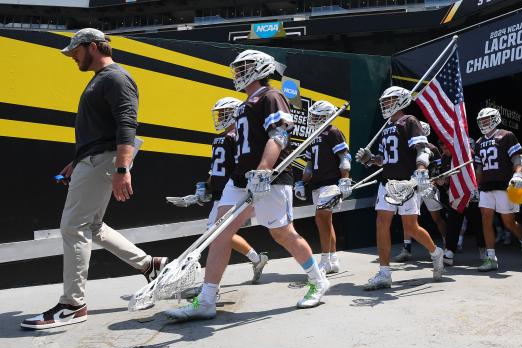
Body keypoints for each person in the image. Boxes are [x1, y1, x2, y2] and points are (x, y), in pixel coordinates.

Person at [164, 49, 330, 321]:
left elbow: (279, 135)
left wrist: (264, 170)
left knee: (282, 233)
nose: (238, 73)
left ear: (261, 68)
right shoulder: (244, 103)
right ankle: (206, 300)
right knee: (219, 232)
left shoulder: (271, 95)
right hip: (240, 178)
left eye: (244, 67)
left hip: (269, 178)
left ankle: (318, 279)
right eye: (238, 68)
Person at [21, 29, 167, 330]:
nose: (72, 57)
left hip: (104, 160)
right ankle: (149, 265)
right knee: (92, 226)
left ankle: (73, 304)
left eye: (75, 52)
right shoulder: (101, 79)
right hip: (93, 159)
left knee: (73, 226)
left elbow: (128, 123)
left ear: (92, 47)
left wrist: (122, 169)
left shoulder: (115, 78)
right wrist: (77, 161)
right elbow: (101, 129)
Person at [167, 97, 269, 283]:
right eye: (219, 113)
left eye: (224, 113)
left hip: (230, 192)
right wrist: (206, 186)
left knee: (216, 235)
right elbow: (216, 170)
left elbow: (241, 165)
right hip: (220, 193)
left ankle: (211, 287)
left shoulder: (236, 138)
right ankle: (256, 259)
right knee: (219, 234)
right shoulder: (224, 139)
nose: (220, 117)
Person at [355, 86, 444, 289]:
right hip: (387, 182)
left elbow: (422, 149)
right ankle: (384, 272)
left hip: (406, 182)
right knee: (381, 223)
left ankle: (435, 252)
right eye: (384, 101)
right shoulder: (386, 126)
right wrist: (370, 160)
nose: (385, 104)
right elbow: (384, 159)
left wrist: (421, 169)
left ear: (401, 100)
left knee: (411, 227)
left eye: (390, 100)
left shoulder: (409, 121)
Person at [294, 100, 352, 274]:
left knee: (321, 219)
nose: (313, 118)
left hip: (330, 183)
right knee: (326, 222)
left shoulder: (333, 132)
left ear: (326, 116)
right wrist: (303, 182)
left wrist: (345, 180)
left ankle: (325, 260)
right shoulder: (314, 136)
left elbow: (344, 158)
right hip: (317, 183)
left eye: (317, 115)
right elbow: (310, 164)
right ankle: (333, 260)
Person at [474, 107, 522, 272]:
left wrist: (519, 174)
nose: (484, 122)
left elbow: (517, 158)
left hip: (504, 184)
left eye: (487, 119)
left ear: (495, 119)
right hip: (486, 186)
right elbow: (479, 167)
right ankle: (491, 257)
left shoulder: (506, 135)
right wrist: (475, 186)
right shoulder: (478, 143)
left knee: (508, 222)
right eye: (482, 120)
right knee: (486, 218)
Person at [393, 122, 447, 262]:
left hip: (427, 185)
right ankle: (407, 248)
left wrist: (434, 180)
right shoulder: (408, 147)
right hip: (412, 186)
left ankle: (448, 244)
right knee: (408, 218)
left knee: (437, 217)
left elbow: (437, 169)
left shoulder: (432, 148)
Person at [441, 138, 485, 266]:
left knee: (478, 222)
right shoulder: (444, 158)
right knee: (453, 222)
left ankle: (483, 248)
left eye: (445, 147)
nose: (443, 150)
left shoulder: (468, 153)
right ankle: (450, 251)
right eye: (442, 147)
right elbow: (447, 180)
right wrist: (442, 181)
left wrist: (476, 188)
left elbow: (478, 171)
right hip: (455, 195)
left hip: (471, 192)